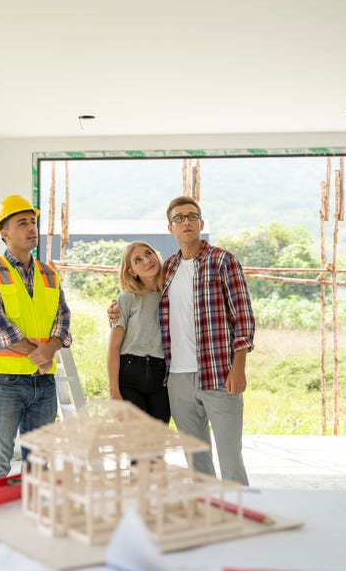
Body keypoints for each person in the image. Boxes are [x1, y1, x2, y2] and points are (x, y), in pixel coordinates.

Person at [109, 195, 255, 484]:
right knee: (195, 460)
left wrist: (239, 368)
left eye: (191, 216)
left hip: (218, 374)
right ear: (170, 228)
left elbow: (244, 318)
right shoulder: (170, 268)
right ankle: (206, 514)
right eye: (179, 218)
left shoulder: (223, 261)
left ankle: (239, 518)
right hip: (176, 380)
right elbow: (140, 296)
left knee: (230, 458)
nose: (185, 222)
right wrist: (114, 308)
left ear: (200, 223)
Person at [0, 194, 71, 479]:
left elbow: (63, 317)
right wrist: (37, 354)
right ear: (5, 233)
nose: (31, 228)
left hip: (44, 380)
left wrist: (49, 350)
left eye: (33, 222)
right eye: (22, 223)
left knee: (40, 462)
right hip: (6, 381)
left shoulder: (49, 274)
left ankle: (33, 518)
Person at [106, 242, 170, 423]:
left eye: (149, 254)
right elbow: (114, 347)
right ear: (131, 271)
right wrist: (114, 393)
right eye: (138, 260)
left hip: (161, 376)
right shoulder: (126, 298)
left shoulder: (170, 294)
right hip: (130, 374)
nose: (147, 261)